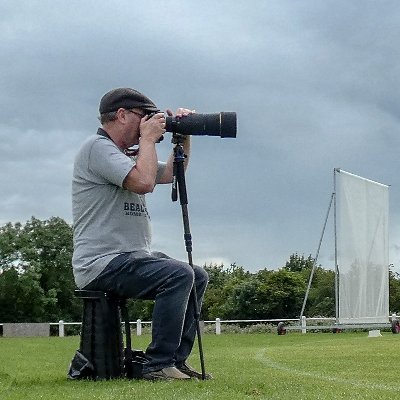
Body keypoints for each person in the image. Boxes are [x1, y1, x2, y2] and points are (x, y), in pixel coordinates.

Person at [72, 87, 209, 380]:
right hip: (102, 262)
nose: (150, 123)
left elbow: (171, 174)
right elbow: (144, 182)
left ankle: (174, 360)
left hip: (130, 257)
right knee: (178, 274)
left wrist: (183, 135)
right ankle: (157, 364)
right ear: (122, 115)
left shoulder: (123, 154)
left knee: (196, 275)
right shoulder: (98, 148)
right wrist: (148, 139)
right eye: (144, 116)